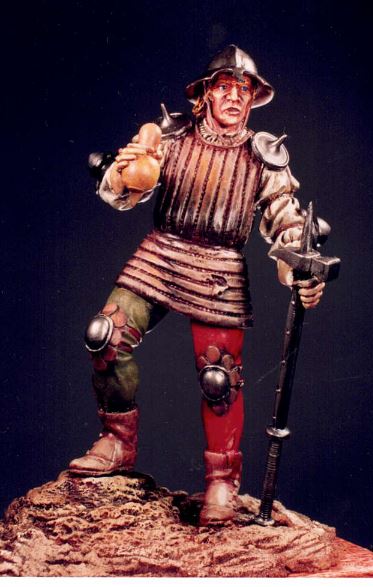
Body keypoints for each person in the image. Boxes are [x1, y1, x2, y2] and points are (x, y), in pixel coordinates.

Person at [68, 45, 325, 525]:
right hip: (161, 253)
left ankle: (222, 482)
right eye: (225, 87)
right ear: (205, 94)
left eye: (243, 90)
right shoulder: (171, 136)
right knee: (105, 336)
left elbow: (287, 223)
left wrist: (300, 269)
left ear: (253, 100)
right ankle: (117, 442)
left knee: (219, 379)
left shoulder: (263, 157)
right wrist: (125, 175)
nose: (234, 97)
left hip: (219, 270)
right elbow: (125, 190)